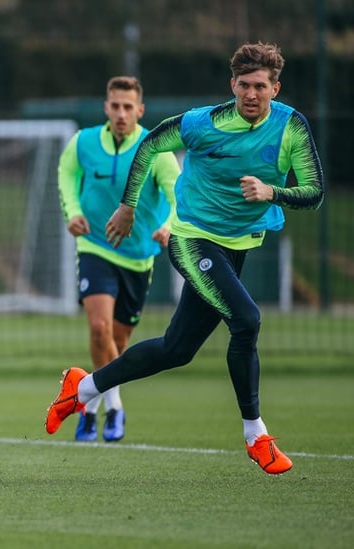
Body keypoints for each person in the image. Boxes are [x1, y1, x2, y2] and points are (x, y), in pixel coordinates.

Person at [45, 42, 324, 474]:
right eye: (244, 86)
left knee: (175, 350)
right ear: (232, 85)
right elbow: (151, 143)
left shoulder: (291, 127)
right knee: (247, 320)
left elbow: (314, 192)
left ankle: (83, 388)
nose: (252, 95)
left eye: (261, 87)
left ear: (276, 88)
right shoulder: (202, 123)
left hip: (239, 245)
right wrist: (128, 204)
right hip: (193, 240)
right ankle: (256, 435)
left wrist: (274, 192)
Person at [56, 76, 180, 442]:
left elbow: (179, 196)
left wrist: (169, 227)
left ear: (140, 110)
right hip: (94, 246)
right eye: (115, 105)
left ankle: (89, 406)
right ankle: (116, 409)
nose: (121, 113)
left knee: (120, 343)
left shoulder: (155, 149)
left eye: (129, 107)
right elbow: (66, 174)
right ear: (106, 107)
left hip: (139, 257)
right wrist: (73, 213)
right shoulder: (83, 142)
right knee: (99, 329)